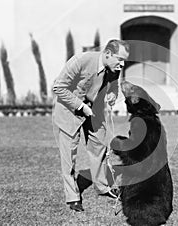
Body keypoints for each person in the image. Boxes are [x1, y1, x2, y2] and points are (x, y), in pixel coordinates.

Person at [52, 39, 130, 212]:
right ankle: (72, 197)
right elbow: (58, 87)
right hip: (69, 112)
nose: (122, 64)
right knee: (69, 156)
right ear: (108, 54)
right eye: (120, 59)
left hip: (94, 113)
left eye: (125, 61)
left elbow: (113, 88)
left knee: (100, 147)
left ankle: (102, 187)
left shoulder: (114, 68)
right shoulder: (81, 60)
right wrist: (81, 106)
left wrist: (111, 95)